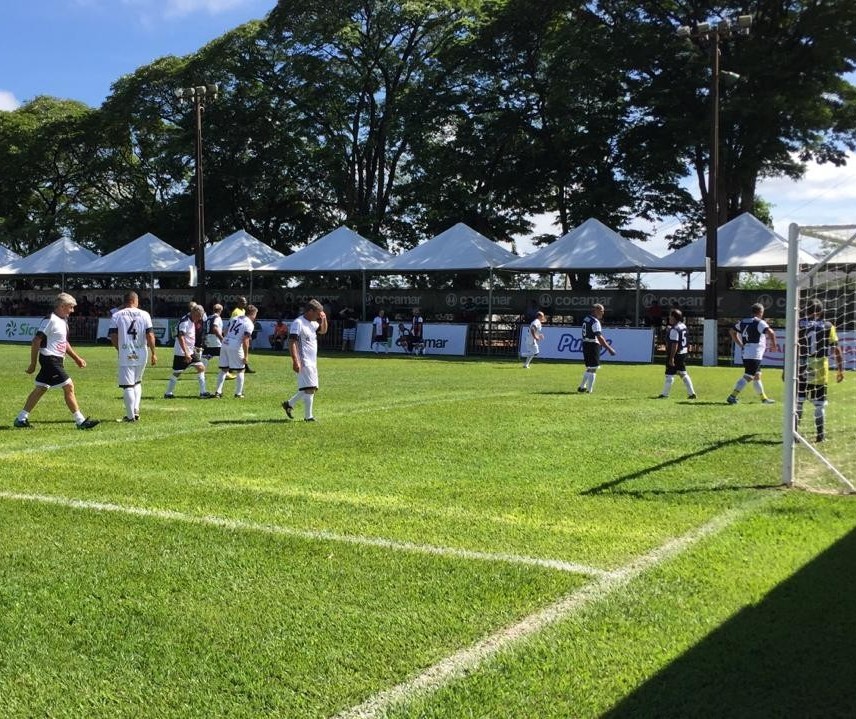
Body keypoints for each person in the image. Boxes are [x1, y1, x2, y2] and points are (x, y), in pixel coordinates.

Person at [13, 292, 100, 430]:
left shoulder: (63, 321)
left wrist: (76, 358)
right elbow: (36, 340)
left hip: (56, 360)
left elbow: (64, 343)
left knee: (41, 388)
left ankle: (21, 419)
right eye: (70, 307)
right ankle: (80, 421)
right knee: (69, 386)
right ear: (62, 306)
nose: (72, 310)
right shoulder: (50, 320)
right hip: (50, 359)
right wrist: (33, 363)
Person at [795, 299, 845, 442]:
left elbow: (793, 347)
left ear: (806, 310)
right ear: (821, 311)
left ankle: (794, 434)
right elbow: (836, 349)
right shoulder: (828, 325)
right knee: (819, 404)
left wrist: (787, 369)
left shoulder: (798, 323)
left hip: (801, 366)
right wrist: (840, 370)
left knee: (798, 402)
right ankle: (820, 435)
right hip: (820, 366)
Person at [108, 290, 158, 422]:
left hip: (126, 352)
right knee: (137, 382)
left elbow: (113, 335)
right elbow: (150, 335)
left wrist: (119, 348)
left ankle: (130, 417)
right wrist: (154, 353)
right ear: (135, 301)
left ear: (125, 301)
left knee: (128, 385)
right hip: (142, 352)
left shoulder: (117, 315)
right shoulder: (145, 314)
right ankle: (135, 410)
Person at [282, 299, 328, 421]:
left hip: (313, 361)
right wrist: (295, 361)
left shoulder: (313, 323)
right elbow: (291, 342)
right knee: (310, 387)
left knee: (310, 387)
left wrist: (323, 319)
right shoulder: (298, 323)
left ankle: (289, 404)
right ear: (310, 311)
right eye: (318, 313)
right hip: (304, 360)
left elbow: (323, 331)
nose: (319, 316)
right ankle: (308, 417)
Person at [727, 302, 778, 405]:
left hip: (746, 352)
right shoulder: (760, 322)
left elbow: (732, 331)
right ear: (760, 312)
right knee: (749, 376)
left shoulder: (743, 321)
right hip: (755, 353)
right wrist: (774, 345)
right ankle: (732, 396)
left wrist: (740, 344)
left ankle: (764, 399)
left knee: (757, 375)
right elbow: (771, 332)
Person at [164, 304, 211, 399]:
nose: (199, 319)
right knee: (177, 372)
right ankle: (168, 393)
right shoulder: (184, 322)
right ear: (193, 313)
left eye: (200, 317)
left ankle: (203, 392)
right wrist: (186, 353)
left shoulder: (191, 319)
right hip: (182, 352)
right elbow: (180, 337)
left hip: (191, 351)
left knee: (201, 367)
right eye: (198, 316)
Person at [214, 304, 258, 399]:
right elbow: (246, 340)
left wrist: (226, 339)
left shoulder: (235, 318)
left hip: (225, 342)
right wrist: (246, 356)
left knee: (223, 369)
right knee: (240, 370)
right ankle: (238, 393)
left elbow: (225, 330)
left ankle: (218, 392)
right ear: (253, 314)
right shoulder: (249, 323)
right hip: (235, 343)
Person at [657, 308, 696, 399]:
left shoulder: (674, 329)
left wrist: (671, 358)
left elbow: (675, 344)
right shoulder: (683, 326)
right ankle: (691, 393)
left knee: (669, 374)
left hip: (675, 354)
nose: (669, 318)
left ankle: (664, 394)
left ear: (674, 317)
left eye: (670, 316)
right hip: (683, 353)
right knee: (683, 373)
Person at [577, 304, 616, 393]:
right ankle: (589, 390)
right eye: (601, 310)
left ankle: (582, 386)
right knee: (593, 368)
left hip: (585, 343)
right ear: (596, 310)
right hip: (593, 344)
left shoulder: (586, 318)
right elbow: (599, 337)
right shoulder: (595, 322)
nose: (603, 312)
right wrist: (609, 348)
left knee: (589, 367)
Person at [230, 297, 256, 372]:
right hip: (237, 336)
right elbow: (234, 324)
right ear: (238, 302)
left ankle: (244, 366)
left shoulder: (244, 310)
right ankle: (232, 368)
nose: (244, 303)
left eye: (245, 301)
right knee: (239, 351)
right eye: (242, 302)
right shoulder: (236, 312)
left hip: (242, 334)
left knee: (242, 350)